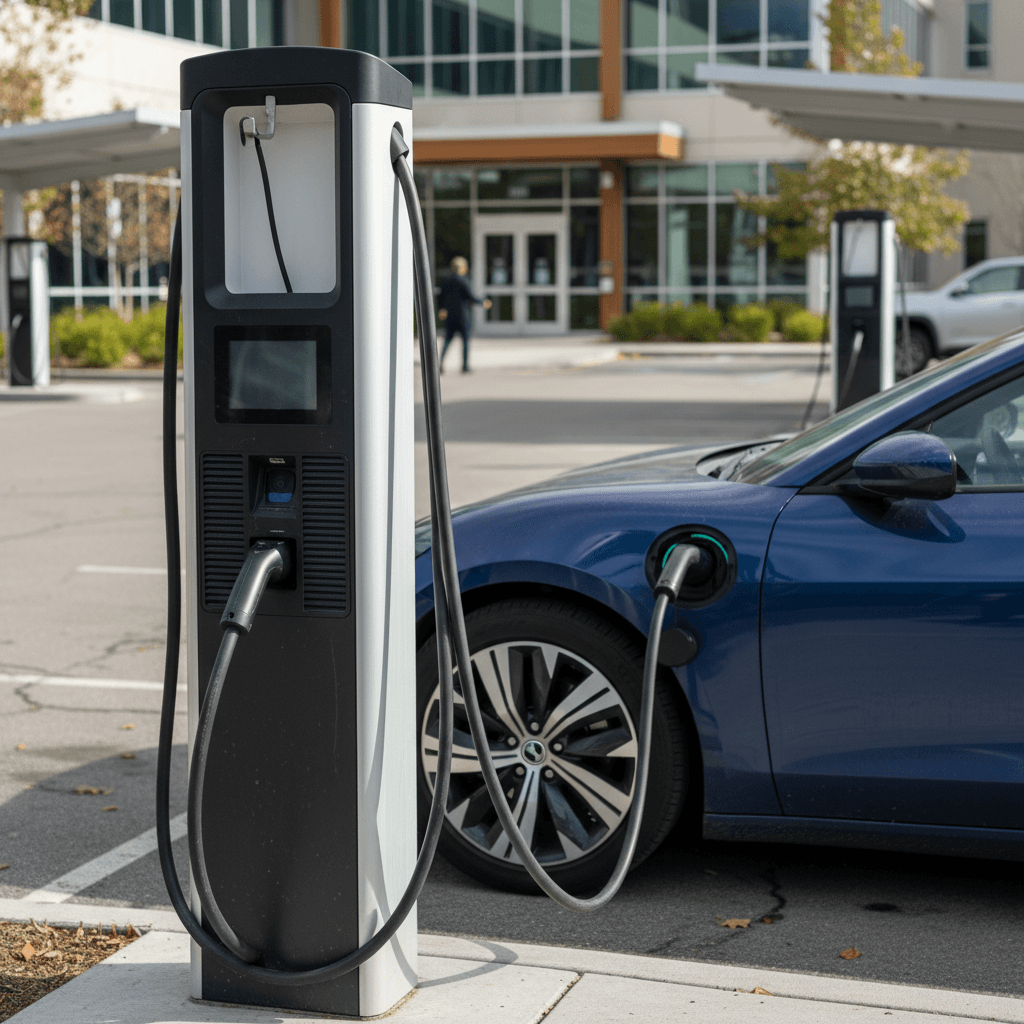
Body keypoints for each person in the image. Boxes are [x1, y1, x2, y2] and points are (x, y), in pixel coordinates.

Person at [437, 256, 491, 373]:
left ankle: (440, 363)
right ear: (461, 268)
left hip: (450, 315)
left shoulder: (446, 281)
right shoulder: (463, 281)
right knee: (465, 341)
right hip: (463, 315)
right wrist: (483, 302)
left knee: (447, 340)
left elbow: (440, 298)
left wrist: (441, 309)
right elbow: (470, 297)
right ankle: (465, 366)